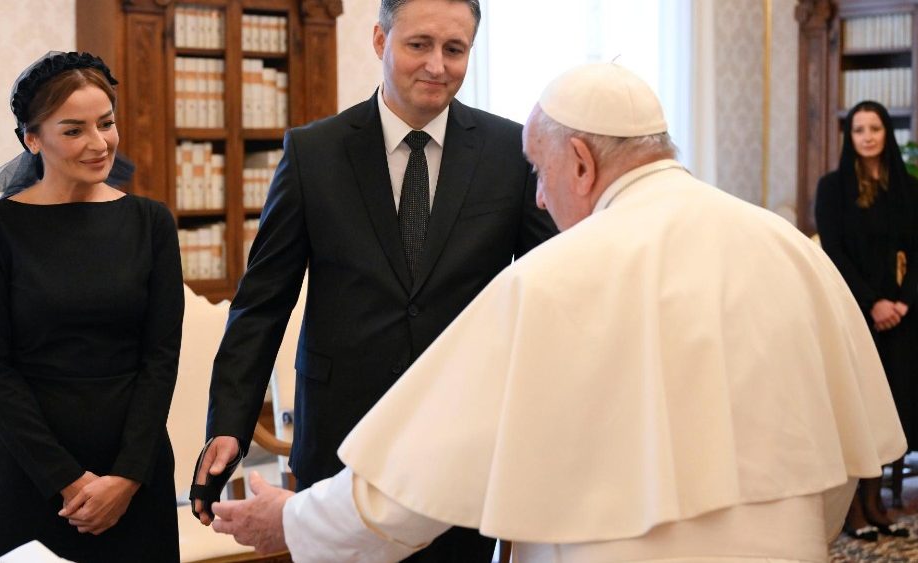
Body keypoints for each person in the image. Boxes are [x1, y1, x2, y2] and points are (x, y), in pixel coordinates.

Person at [206, 63, 907, 562]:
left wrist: (295, 520)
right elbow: (838, 453)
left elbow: (418, 482)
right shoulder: (789, 249)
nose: (538, 200)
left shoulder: (558, 276)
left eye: (540, 174)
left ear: (578, 161)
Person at [191, 0, 555, 560]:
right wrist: (229, 426)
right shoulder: (314, 153)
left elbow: (553, 282)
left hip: (459, 443)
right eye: (419, 45)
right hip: (340, 438)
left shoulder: (511, 152)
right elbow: (263, 304)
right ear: (381, 41)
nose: (437, 64)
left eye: (454, 49)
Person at [0, 51, 183, 562]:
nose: (98, 143)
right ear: (32, 138)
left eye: (106, 123)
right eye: (74, 130)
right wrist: (66, 480)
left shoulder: (151, 223)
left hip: (136, 464)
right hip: (34, 470)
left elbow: (160, 359)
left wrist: (126, 477)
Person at [814, 99, 918, 541]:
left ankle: (877, 504)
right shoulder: (832, 188)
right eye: (859, 129)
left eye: (875, 128)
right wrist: (873, 302)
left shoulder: (910, 188)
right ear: (850, 137)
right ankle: (854, 507)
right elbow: (834, 251)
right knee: (859, 409)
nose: (868, 136)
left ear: (886, 134)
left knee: (895, 406)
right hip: (856, 315)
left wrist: (903, 302)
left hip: (904, 317)